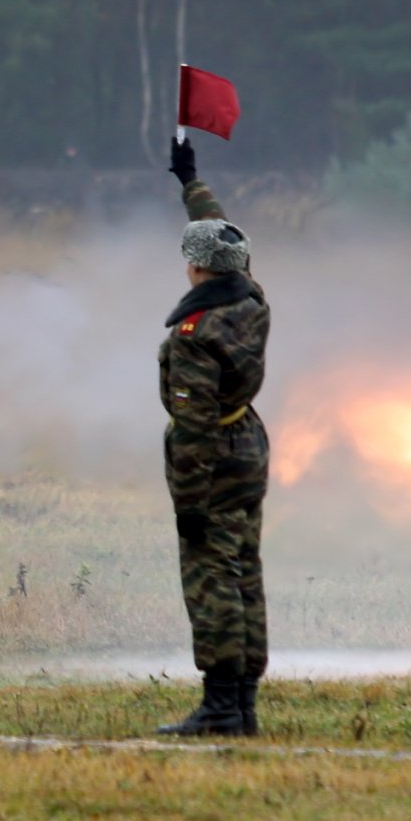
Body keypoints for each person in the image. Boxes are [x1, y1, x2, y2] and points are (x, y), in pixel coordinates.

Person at [156, 137, 271, 736]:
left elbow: (194, 427)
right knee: (244, 570)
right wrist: (190, 182)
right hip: (248, 445)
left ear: (197, 268)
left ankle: (221, 707)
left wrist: (189, 505)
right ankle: (244, 702)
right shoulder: (250, 297)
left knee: (211, 576)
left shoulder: (196, 334)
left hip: (213, 462)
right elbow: (221, 232)